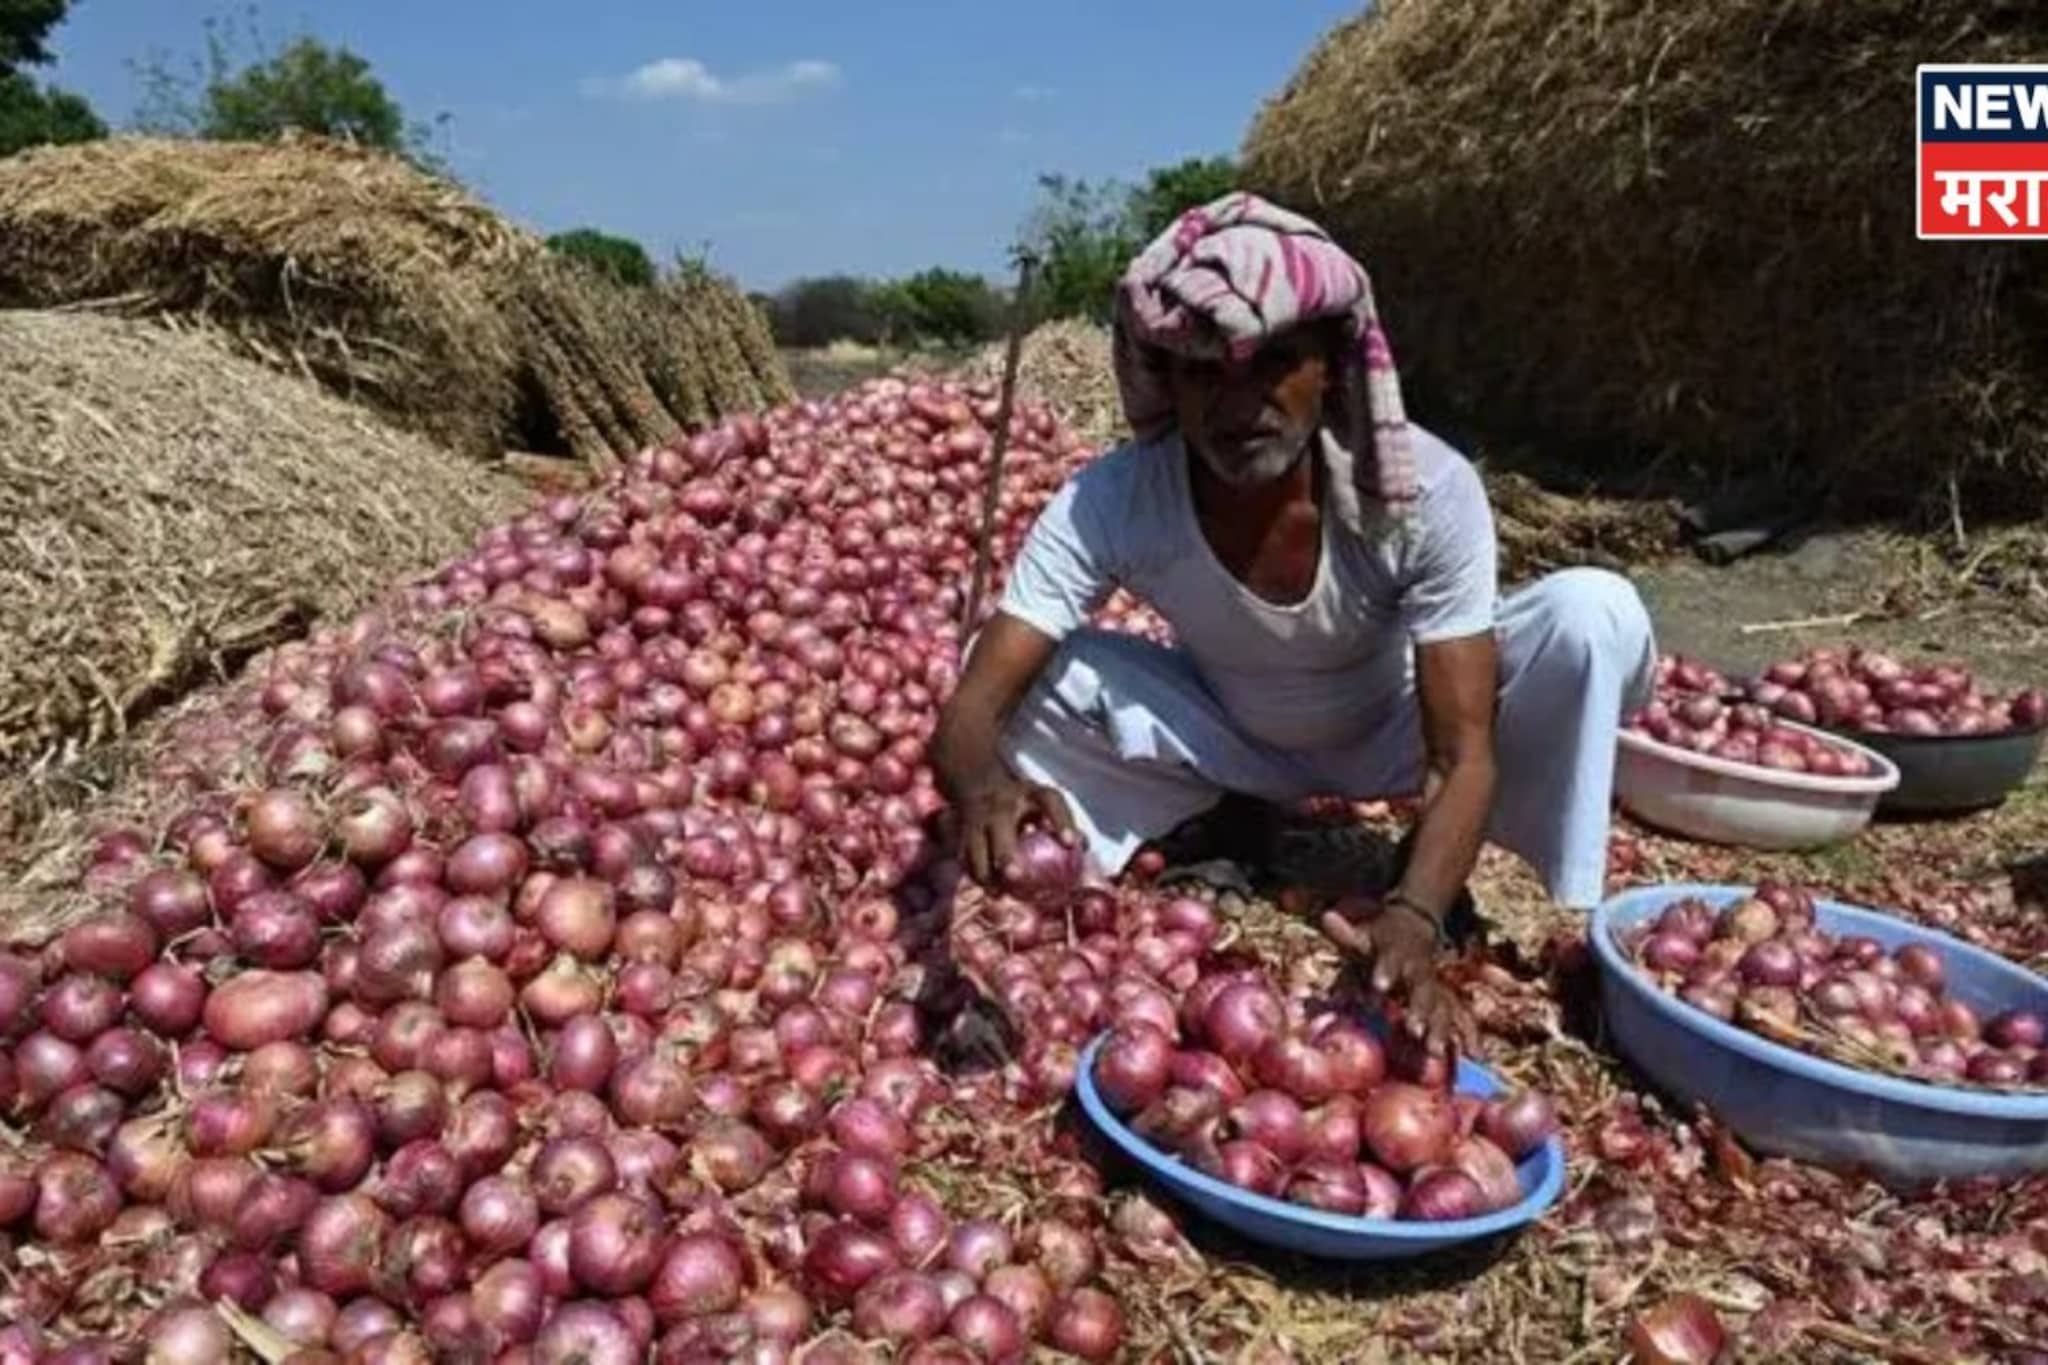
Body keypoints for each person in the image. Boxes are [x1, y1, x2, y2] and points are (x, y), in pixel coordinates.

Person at [931, 193, 1655, 1051]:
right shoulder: (1115, 498)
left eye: (1274, 362)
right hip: (1233, 734)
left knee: (1591, 613)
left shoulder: (1424, 489)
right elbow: (972, 705)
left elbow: (1460, 751)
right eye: (1206, 372)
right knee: (1031, 673)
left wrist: (1415, 914)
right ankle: (1223, 814)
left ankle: (1529, 908)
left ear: (1333, 368)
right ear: (1170, 379)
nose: (1240, 404)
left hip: (1396, 729)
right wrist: (980, 783)